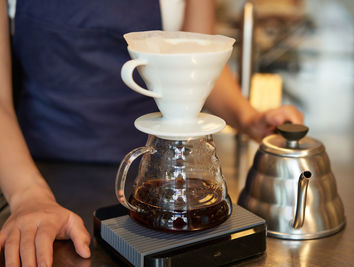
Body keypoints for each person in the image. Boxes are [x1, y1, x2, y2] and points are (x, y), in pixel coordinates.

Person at [0, 0, 303, 266]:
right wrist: (28, 197)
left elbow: (202, 61)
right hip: (36, 175)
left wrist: (247, 118)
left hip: (155, 171)